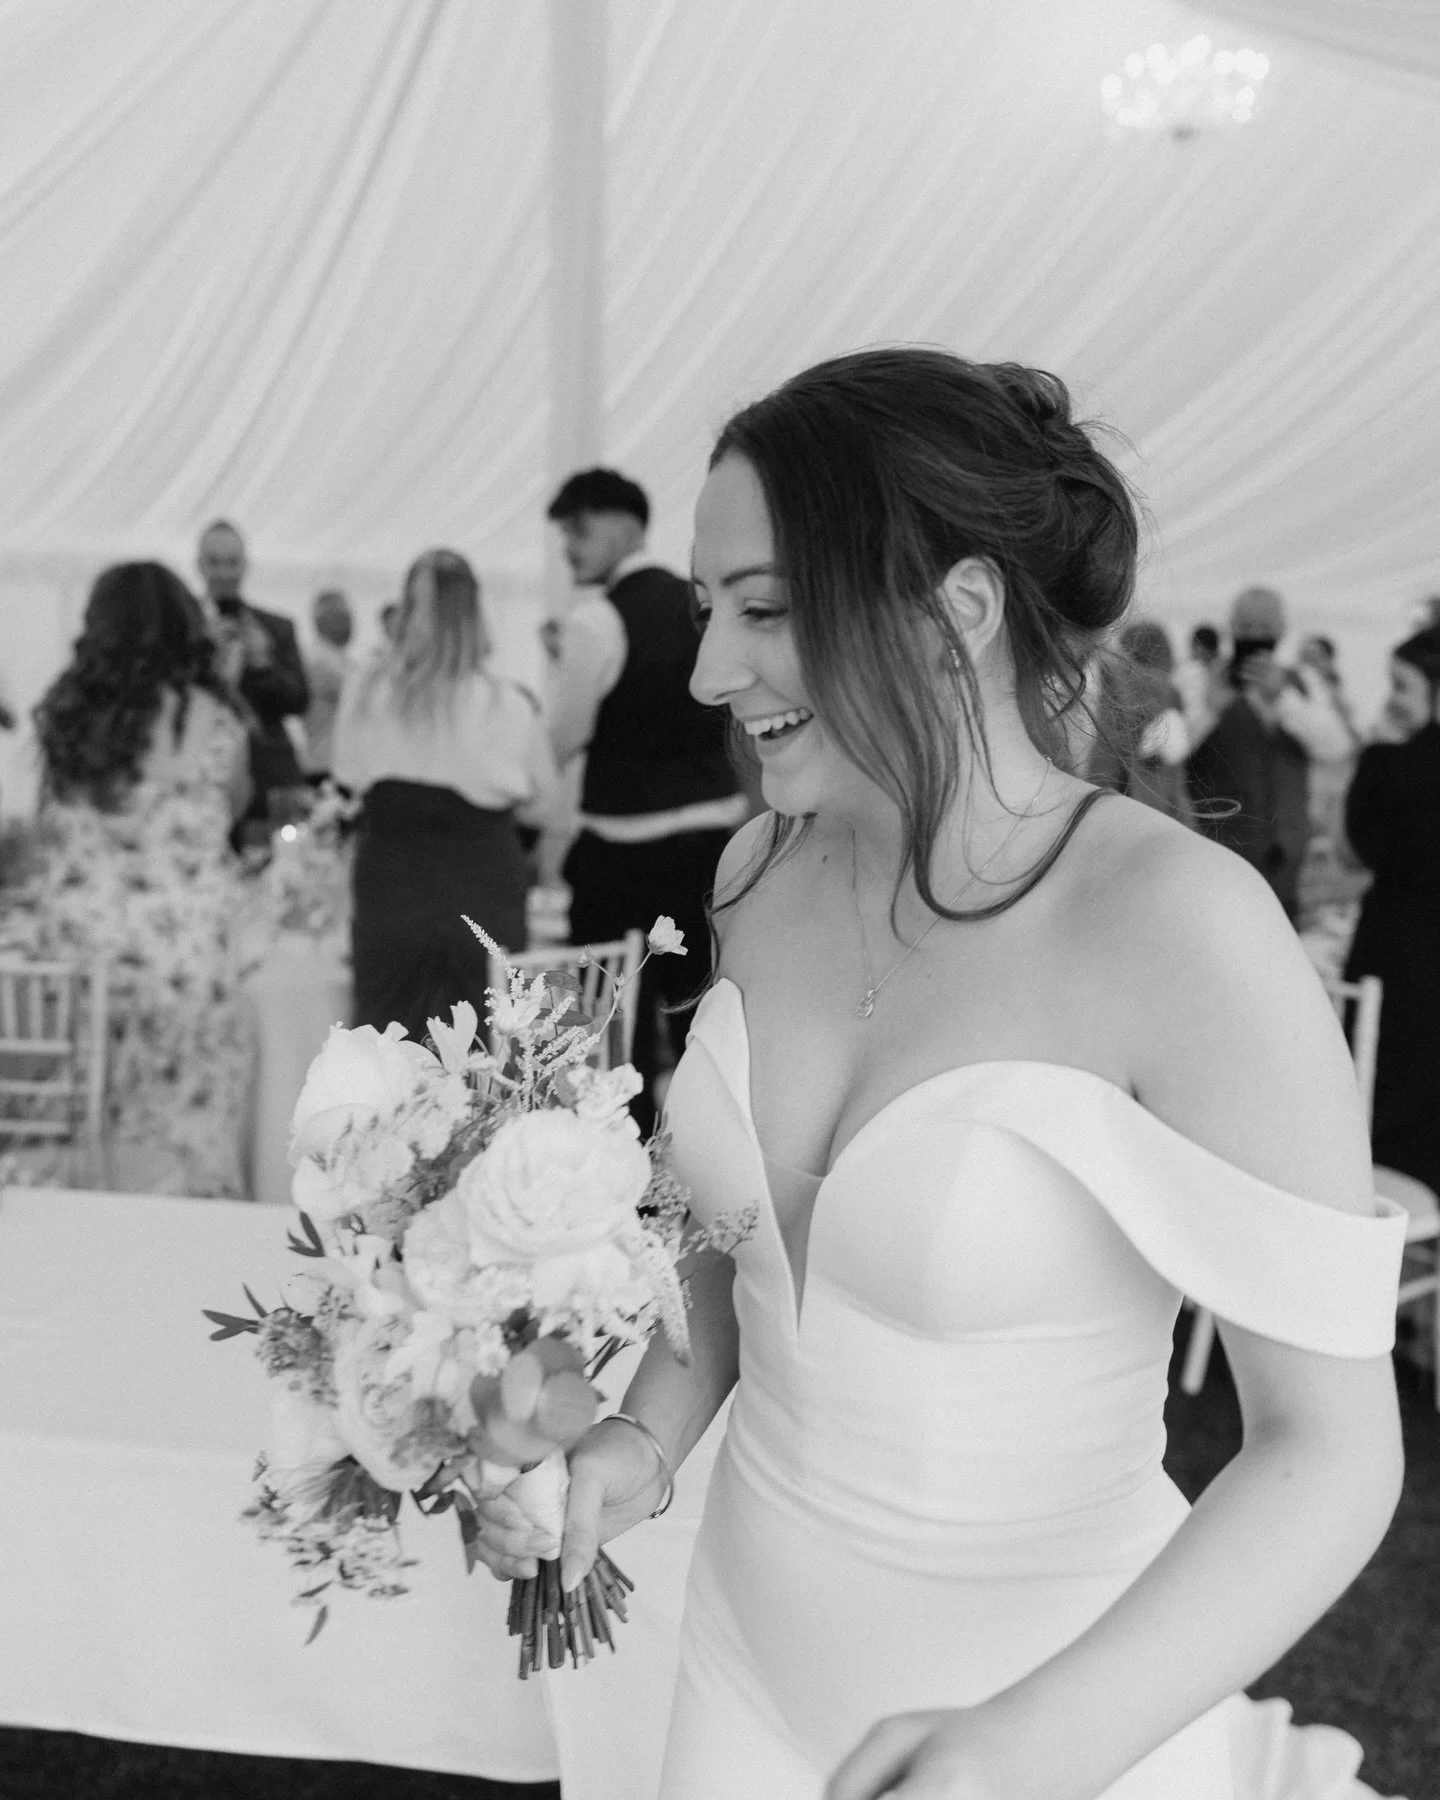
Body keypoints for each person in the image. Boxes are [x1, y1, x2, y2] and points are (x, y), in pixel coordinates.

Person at [472, 350, 1404, 1800]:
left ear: (958, 611)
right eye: (712, 609)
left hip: (1054, 1726)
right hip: (742, 1674)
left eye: (764, 610)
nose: (712, 667)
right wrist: (633, 1451)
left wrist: (1039, 1745)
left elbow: (1332, 1454)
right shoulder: (755, 866)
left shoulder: (1184, 928)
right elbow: (732, 1265)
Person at [27, 562, 255, 1197]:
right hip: (182, 959)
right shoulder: (215, 718)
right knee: (189, 1131)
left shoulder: (69, 712)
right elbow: (230, 811)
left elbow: (50, 827)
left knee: (88, 1126)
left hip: (83, 961)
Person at [545, 467, 747, 1135]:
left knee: (602, 1038)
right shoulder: (701, 604)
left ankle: (614, 1187)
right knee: (702, 1031)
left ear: (627, 526)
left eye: (580, 527)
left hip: (617, 865)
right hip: (709, 856)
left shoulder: (597, 620)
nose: (569, 546)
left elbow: (561, 738)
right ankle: (701, 1182)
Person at [333, 548, 560, 1045]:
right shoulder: (509, 702)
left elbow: (346, 774)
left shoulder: (366, 691)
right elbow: (547, 804)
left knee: (387, 1049)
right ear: (475, 615)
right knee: (486, 1053)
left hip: (392, 894)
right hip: (483, 892)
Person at [1342, 624, 1440, 1199]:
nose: (1393, 698)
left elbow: (1358, 848)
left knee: (1380, 1093)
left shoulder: (1392, 764)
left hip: (1399, 956)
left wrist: (1381, 747)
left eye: (1401, 685)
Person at [1185, 590, 1312, 920]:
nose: (1255, 635)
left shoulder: (1300, 684)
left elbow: (1335, 745)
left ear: (1282, 630)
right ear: (1231, 628)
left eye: (1265, 626)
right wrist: (1214, 708)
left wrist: (1280, 700)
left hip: (1285, 855)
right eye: (1247, 626)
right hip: (1218, 850)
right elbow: (1173, 750)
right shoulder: (1200, 680)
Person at [195, 519, 310, 842]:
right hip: (203, 777)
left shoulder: (275, 627)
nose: (224, 573)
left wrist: (263, 665)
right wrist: (204, 655)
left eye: (232, 562)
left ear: (245, 565)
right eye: (215, 562)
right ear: (200, 565)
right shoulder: (185, 628)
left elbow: (299, 701)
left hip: (268, 777)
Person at [1087, 619, 1193, 824]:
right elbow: (1174, 757)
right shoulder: (1167, 693)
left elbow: (1103, 765)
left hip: (1111, 810)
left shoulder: (1113, 691)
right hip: (1157, 811)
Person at [302, 587, 353, 781]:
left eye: (348, 615)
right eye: (340, 616)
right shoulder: (318, 660)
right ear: (320, 621)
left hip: (341, 762)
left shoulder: (343, 660)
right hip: (325, 763)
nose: (348, 622)